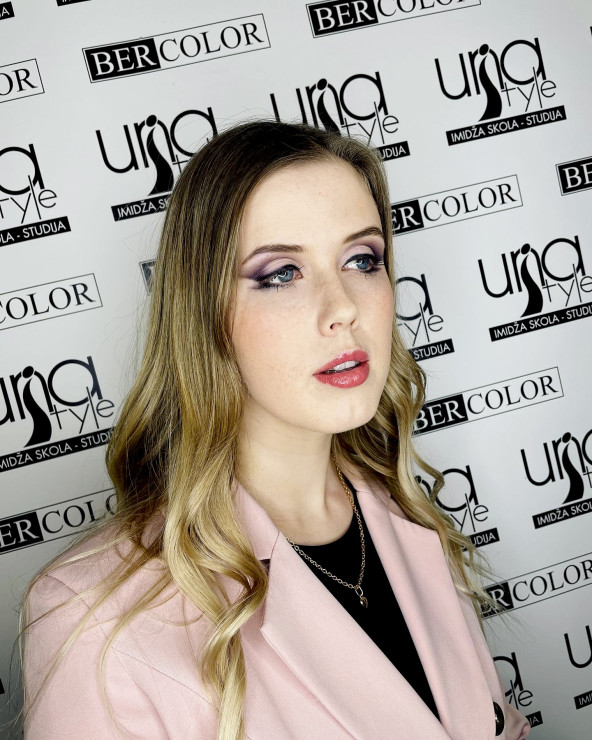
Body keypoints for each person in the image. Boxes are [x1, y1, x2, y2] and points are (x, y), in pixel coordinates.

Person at [20, 121, 531, 739]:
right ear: (205, 313)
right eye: (282, 273)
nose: (344, 307)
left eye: (362, 260)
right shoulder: (95, 621)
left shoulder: (406, 514)